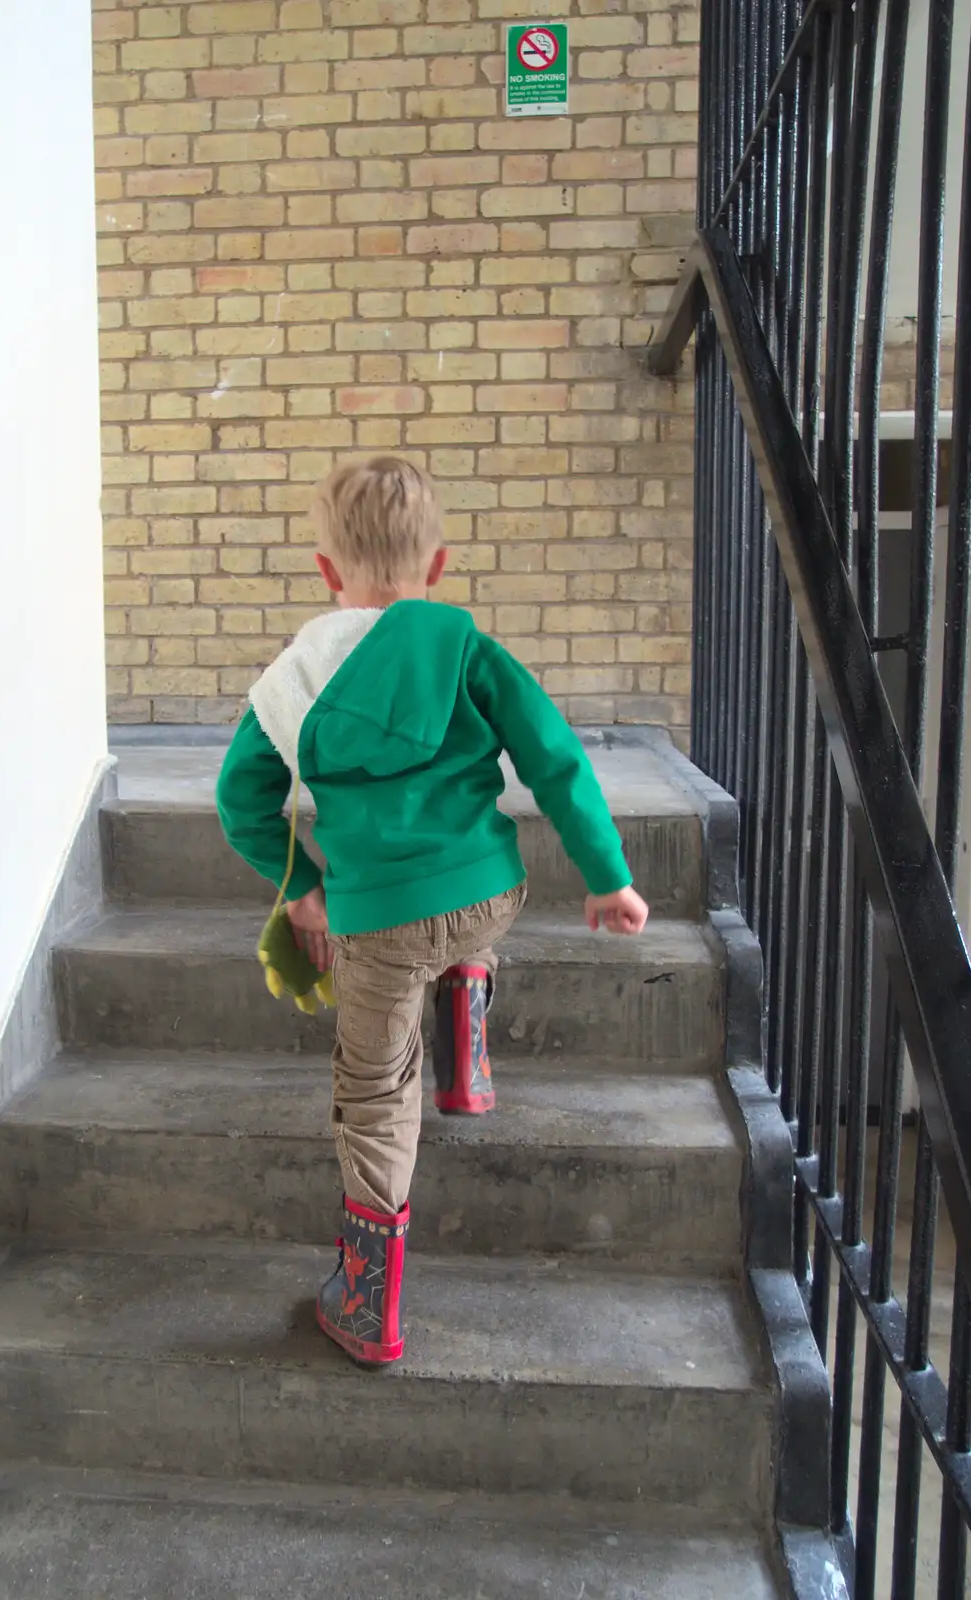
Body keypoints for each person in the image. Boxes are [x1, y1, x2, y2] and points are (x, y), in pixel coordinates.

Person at [216, 456, 649, 1367]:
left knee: (374, 1094)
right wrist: (606, 876)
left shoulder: (294, 680)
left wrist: (303, 893)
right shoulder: (465, 647)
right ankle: (470, 1046)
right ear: (438, 565)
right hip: (488, 895)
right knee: (465, 927)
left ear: (327, 573)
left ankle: (368, 1303)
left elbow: (239, 802)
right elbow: (553, 759)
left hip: (374, 924)